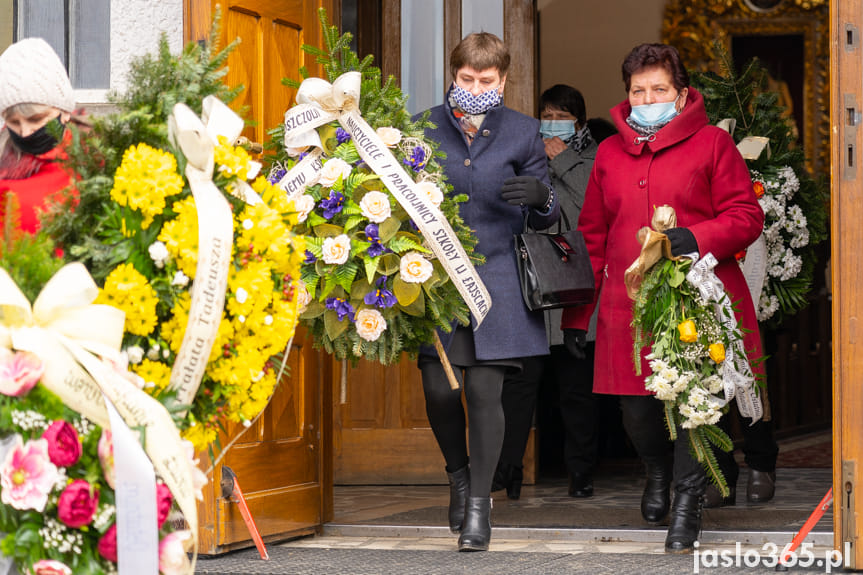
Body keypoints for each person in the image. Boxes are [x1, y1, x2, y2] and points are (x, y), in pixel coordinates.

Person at [561, 43, 764, 553]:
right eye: (638, 91)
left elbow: (746, 216)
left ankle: (688, 504)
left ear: (681, 94)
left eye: (658, 90)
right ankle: (656, 470)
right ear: (627, 96)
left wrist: (695, 238)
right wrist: (579, 312)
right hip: (625, 306)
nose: (647, 98)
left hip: (700, 298)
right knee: (638, 413)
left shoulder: (713, 144)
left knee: (695, 404)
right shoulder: (609, 152)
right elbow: (592, 233)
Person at [418, 31, 558, 552]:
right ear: (453, 75)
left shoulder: (524, 132)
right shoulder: (423, 127)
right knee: (439, 388)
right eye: (466, 79)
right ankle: (457, 474)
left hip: (499, 277)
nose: (475, 87)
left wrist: (541, 197)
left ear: (503, 81)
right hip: (435, 277)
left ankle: (479, 504)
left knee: (483, 392)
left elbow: (549, 217)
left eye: (487, 80)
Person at [492, 84, 608, 500]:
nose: (551, 123)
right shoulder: (522, 154)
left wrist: (565, 162)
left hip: (574, 288)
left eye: (561, 115)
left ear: (578, 120)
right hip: (530, 289)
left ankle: (582, 473)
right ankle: (508, 470)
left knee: (576, 388)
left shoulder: (597, 158)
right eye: (546, 114)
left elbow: (590, 213)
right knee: (520, 385)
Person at [0, 37, 79, 234]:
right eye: (14, 122)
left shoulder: (91, 162)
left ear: (65, 112)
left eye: (36, 120)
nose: (25, 133)